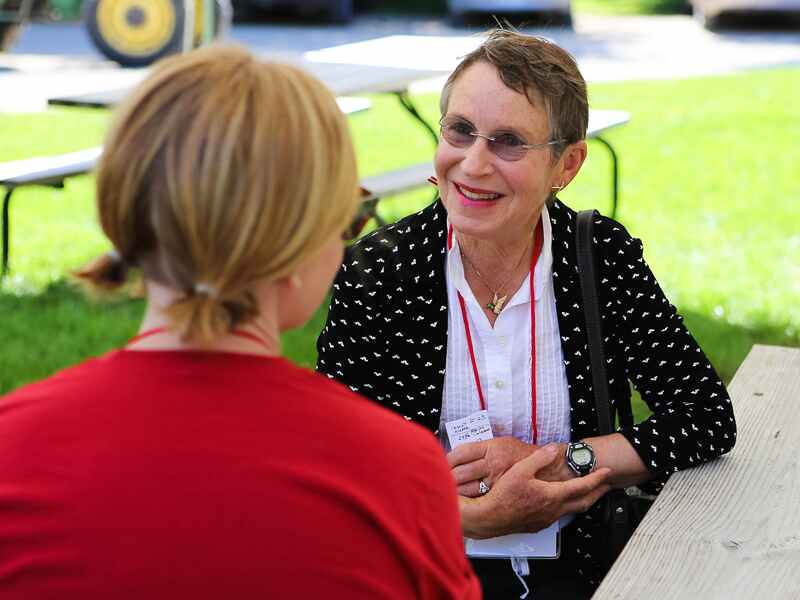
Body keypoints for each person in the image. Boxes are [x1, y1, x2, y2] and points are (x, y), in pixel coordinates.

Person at [0, 46, 481, 600]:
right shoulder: (398, 473)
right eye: (349, 219)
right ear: (301, 242)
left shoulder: (12, 447)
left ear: (121, 218)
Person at [317, 29, 737, 599]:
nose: (473, 163)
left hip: (586, 572)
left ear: (567, 164)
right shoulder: (383, 272)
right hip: (423, 571)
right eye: (460, 130)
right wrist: (465, 518)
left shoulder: (597, 256)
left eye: (509, 141)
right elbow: (336, 468)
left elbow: (704, 417)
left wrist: (566, 462)